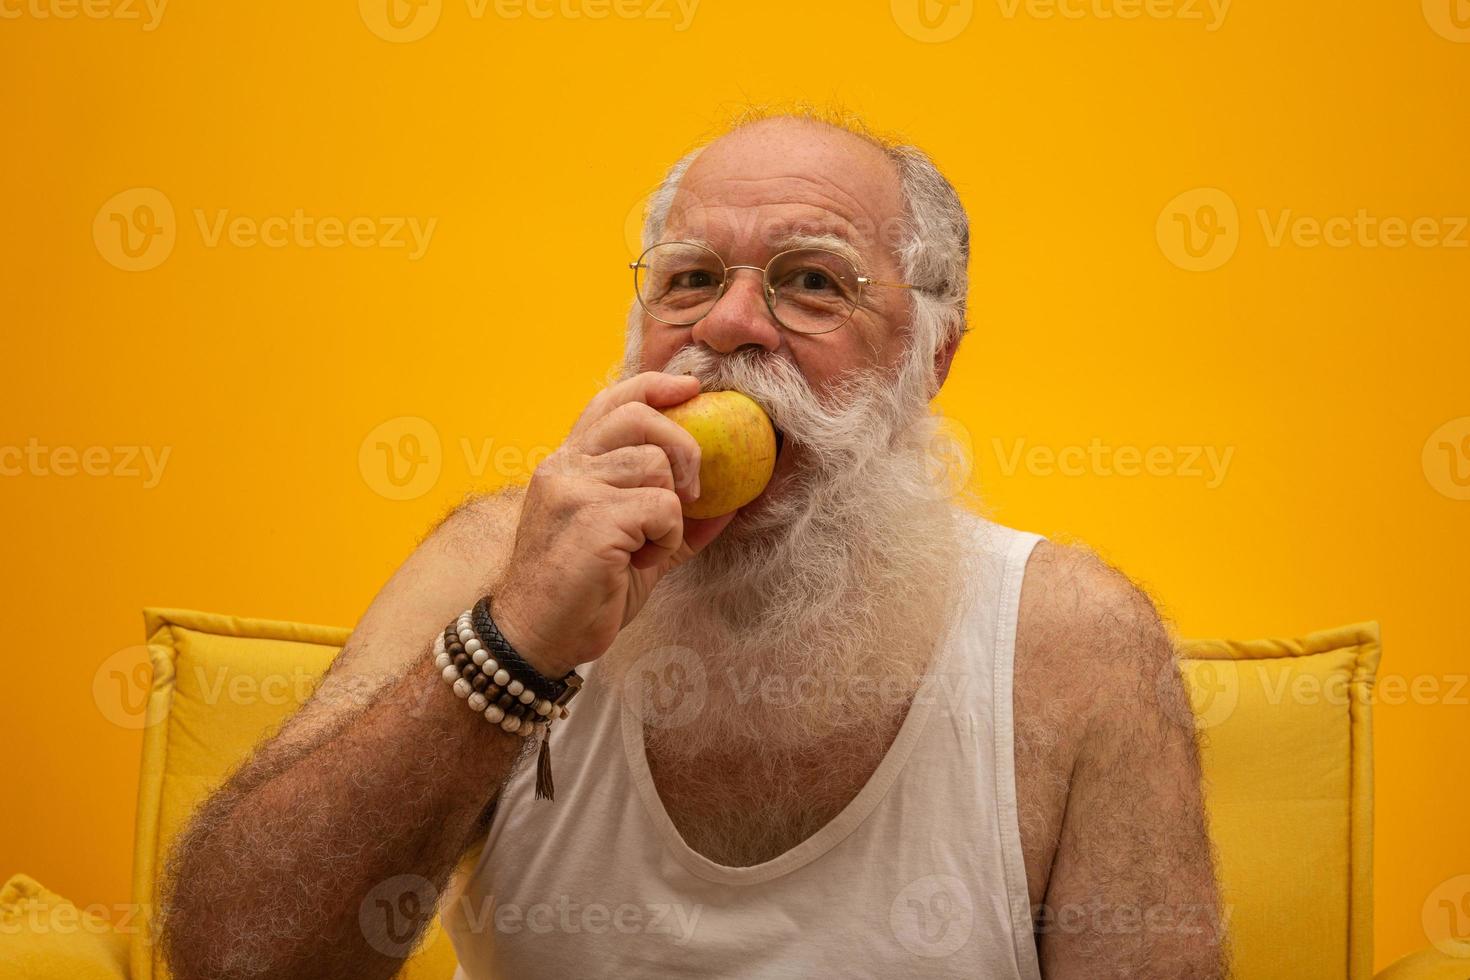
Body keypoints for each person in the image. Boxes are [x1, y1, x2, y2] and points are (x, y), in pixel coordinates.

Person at [161, 107, 1227, 979]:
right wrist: (513, 643)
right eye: (689, 279)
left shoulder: (1072, 639)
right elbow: (232, 959)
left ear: (929, 357)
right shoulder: (498, 564)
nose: (728, 325)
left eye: (813, 279)